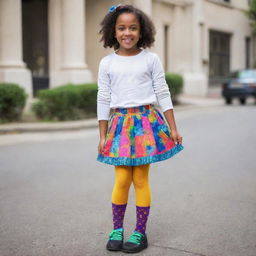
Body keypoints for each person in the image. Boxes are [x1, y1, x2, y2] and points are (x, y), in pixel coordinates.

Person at [97, 4, 184, 253]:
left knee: (140, 179)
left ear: (141, 30)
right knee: (122, 178)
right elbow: (103, 98)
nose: (127, 33)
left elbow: (162, 92)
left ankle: (139, 233)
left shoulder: (150, 59)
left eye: (133, 28)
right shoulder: (107, 63)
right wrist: (102, 135)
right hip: (120, 124)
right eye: (122, 28)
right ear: (113, 31)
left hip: (146, 122)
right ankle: (117, 229)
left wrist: (173, 128)